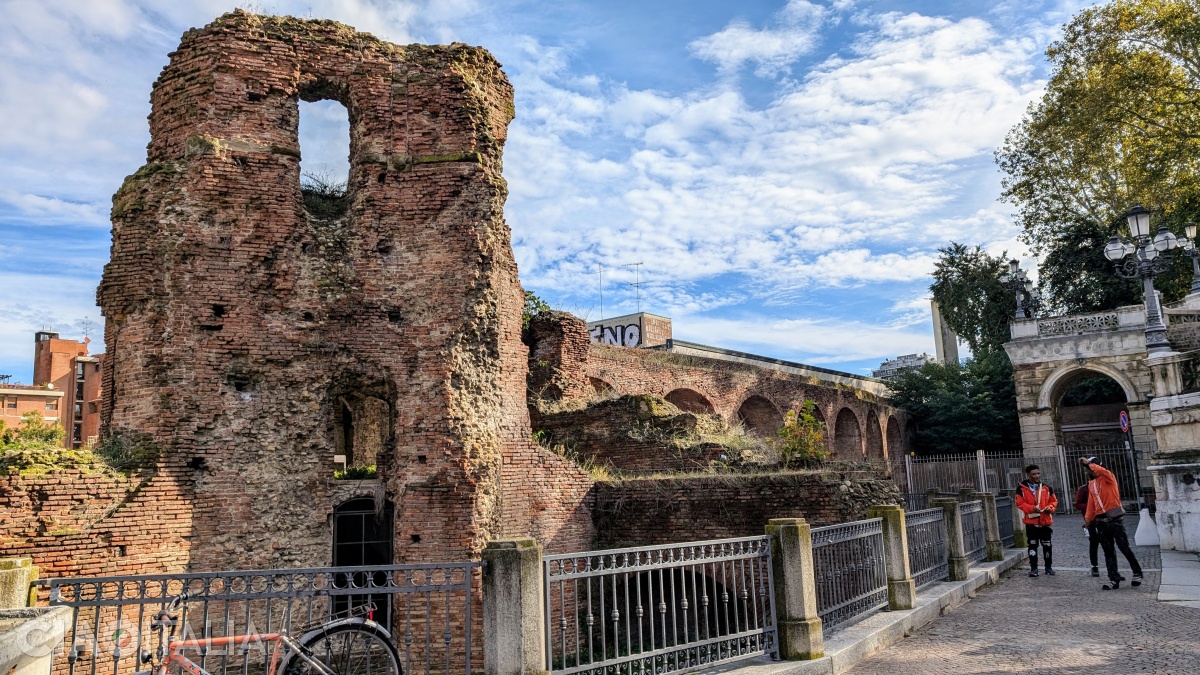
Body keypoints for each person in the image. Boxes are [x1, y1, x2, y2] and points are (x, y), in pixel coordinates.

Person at [1081, 456, 1143, 590]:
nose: (1087, 472)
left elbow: (1101, 471)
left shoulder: (1108, 477)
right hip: (1101, 522)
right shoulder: (1091, 484)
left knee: (1124, 548)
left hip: (1115, 520)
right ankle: (1113, 579)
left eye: (1088, 470)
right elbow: (1091, 504)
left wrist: (1088, 464)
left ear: (1096, 468)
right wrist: (1088, 519)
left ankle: (1137, 572)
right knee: (1108, 551)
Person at [1015, 464, 1058, 576]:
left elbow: (1053, 501)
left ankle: (1048, 567)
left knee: (1047, 545)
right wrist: (1032, 508)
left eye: (1038, 473)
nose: (1037, 476)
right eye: (1034, 474)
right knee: (1032, 545)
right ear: (1028, 475)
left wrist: (1050, 508)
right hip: (1031, 522)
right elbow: (1019, 503)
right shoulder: (1021, 488)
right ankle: (1034, 569)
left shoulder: (1046, 488)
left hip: (1045, 521)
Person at [1074, 481, 1101, 577]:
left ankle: (1113, 569)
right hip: (1091, 520)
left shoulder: (1103, 486)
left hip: (1105, 519)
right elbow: (1078, 504)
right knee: (1094, 543)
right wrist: (1091, 506)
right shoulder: (1084, 489)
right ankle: (1094, 566)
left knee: (1108, 544)